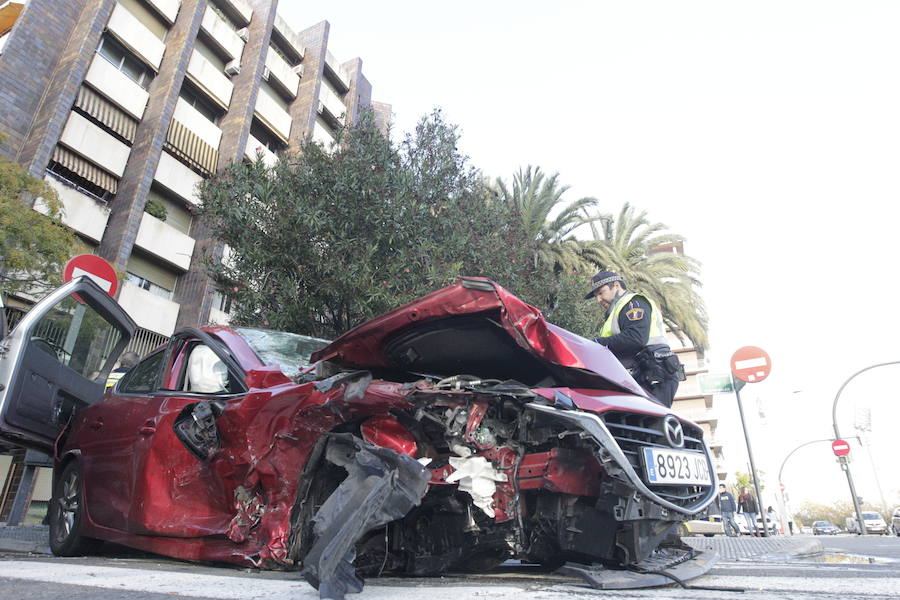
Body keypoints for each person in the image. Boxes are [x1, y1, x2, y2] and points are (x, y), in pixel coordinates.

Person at [585, 270, 685, 407]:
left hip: (654, 372)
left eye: (601, 292)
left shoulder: (633, 303)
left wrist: (596, 343)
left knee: (651, 422)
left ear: (616, 285)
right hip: (641, 374)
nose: (599, 299)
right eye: (596, 295)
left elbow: (635, 337)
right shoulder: (615, 312)